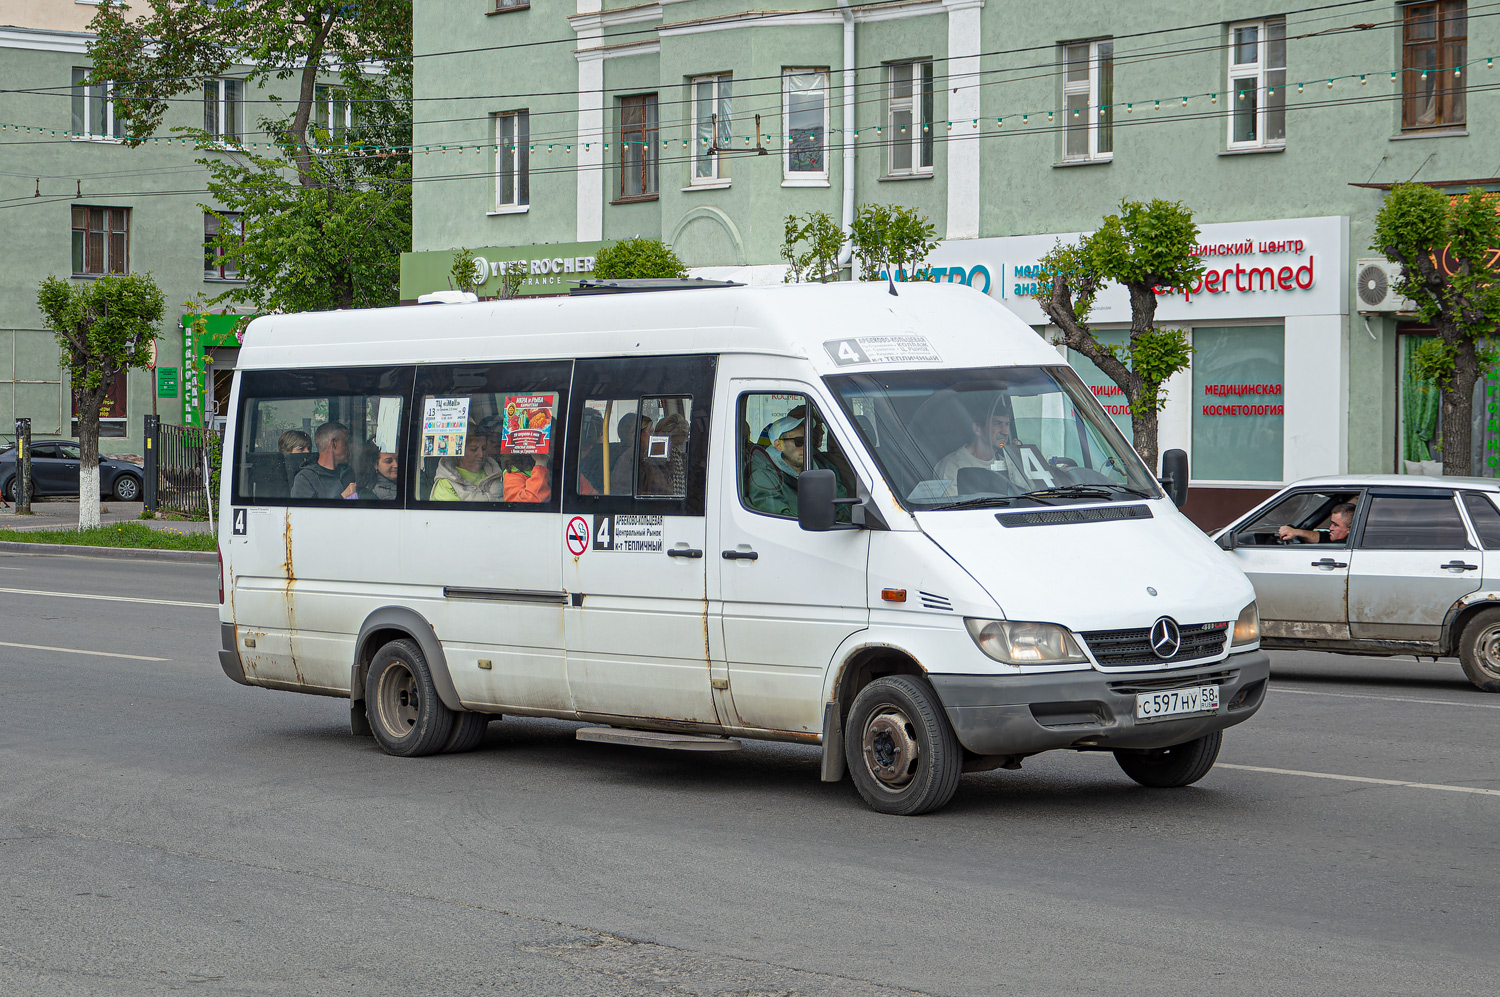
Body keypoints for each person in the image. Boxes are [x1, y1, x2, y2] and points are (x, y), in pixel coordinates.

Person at [933, 401, 1028, 495]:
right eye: (997, 423)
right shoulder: (952, 466)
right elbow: (952, 507)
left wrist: (1018, 460)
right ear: (977, 428)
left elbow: (1026, 494)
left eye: (1007, 424)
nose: (1006, 432)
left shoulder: (1006, 463)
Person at [290, 421, 357, 499]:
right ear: (333, 444)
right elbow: (305, 510)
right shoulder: (306, 479)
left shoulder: (348, 473)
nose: (351, 448)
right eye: (346, 443)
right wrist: (342, 497)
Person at [431, 429, 503, 501]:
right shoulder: (445, 483)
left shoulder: (495, 473)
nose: (481, 455)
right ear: (459, 453)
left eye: (483, 449)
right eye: (473, 449)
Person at [609, 412, 652, 496]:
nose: (653, 436)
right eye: (650, 432)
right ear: (639, 433)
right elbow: (624, 490)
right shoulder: (630, 458)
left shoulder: (641, 455)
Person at [1279, 502, 1355, 544]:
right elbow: (1321, 537)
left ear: (1349, 528)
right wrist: (1296, 532)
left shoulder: (1343, 544)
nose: (1330, 528)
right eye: (1331, 523)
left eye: (1335, 525)